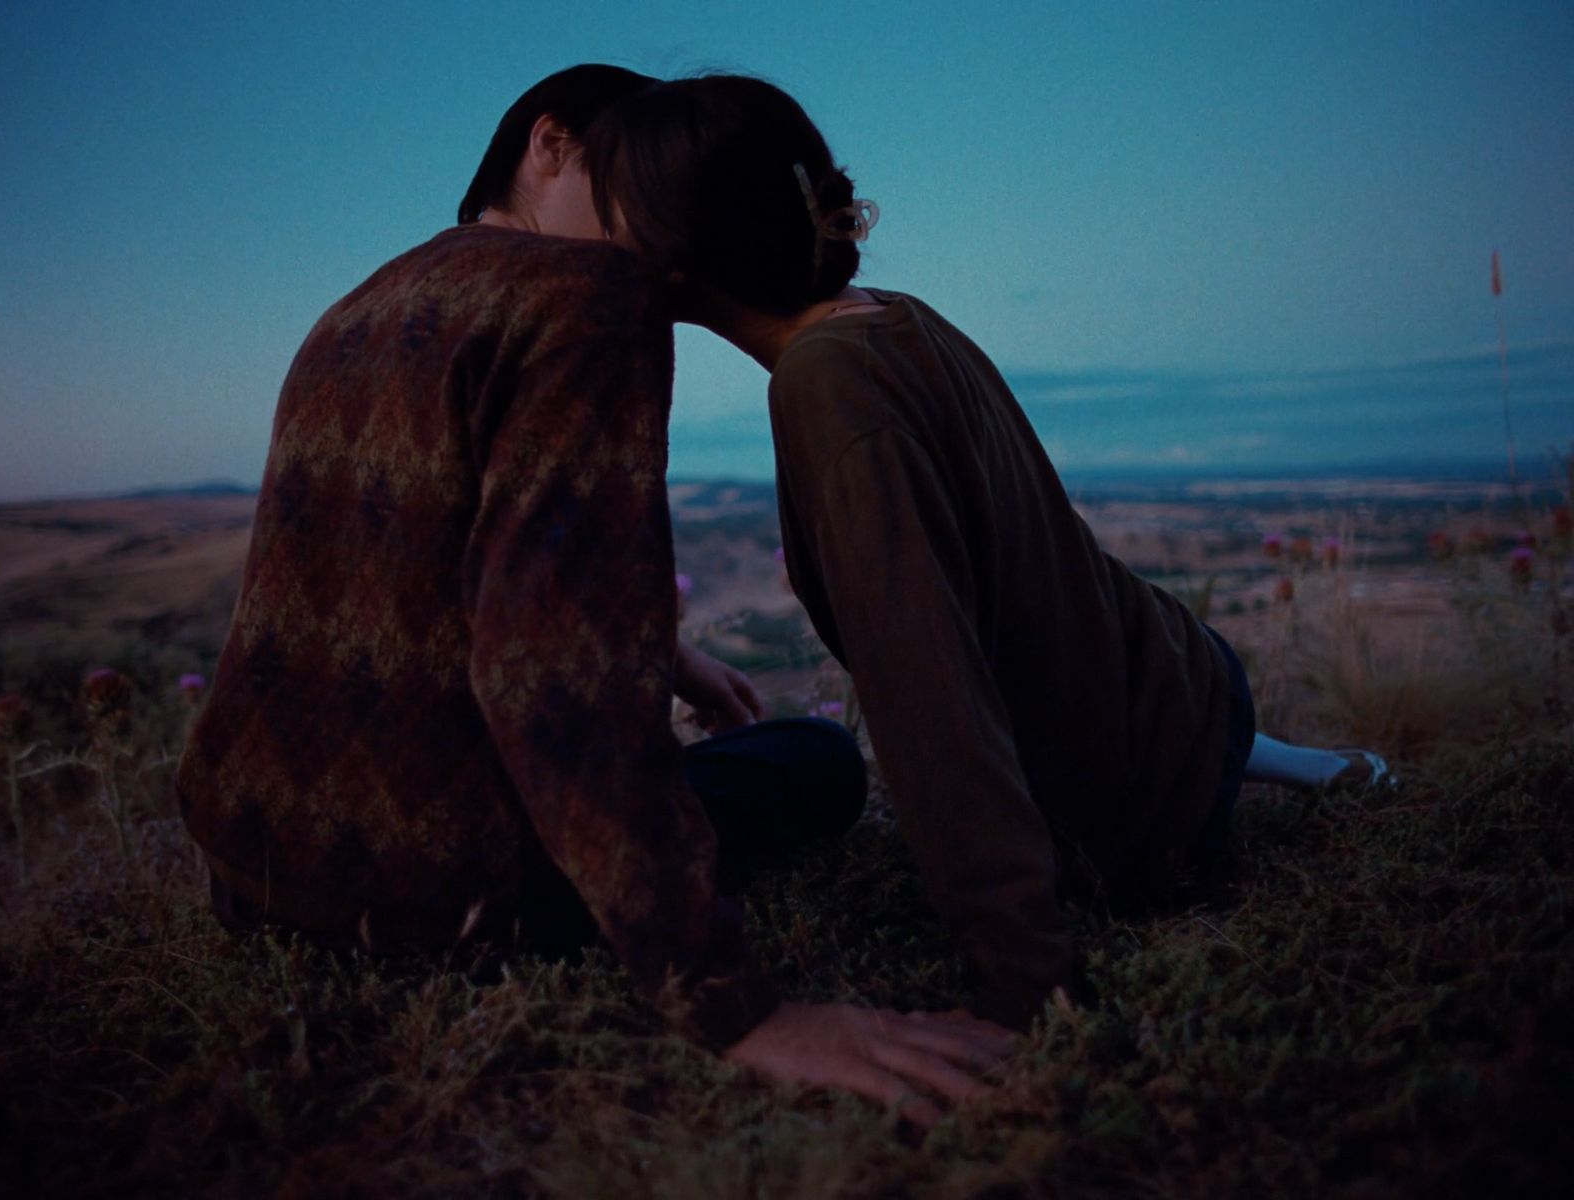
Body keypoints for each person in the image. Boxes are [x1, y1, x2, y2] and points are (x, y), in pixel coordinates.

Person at [177, 66, 1018, 1123]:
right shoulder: (587, 297)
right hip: (437, 895)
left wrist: (664, 654)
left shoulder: (357, 306)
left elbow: (412, 556)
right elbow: (547, 681)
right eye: (628, 178)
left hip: (252, 869)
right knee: (816, 761)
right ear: (550, 143)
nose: (652, 235)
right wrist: (738, 1009)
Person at [584, 74, 1392, 1037]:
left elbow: (930, 689)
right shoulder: (890, 315)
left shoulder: (824, 385)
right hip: (1183, 684)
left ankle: (1225, 780)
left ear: (677, 256)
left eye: (611, 217)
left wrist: (1023, 978)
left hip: (1123, 819)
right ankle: (1266, 764)